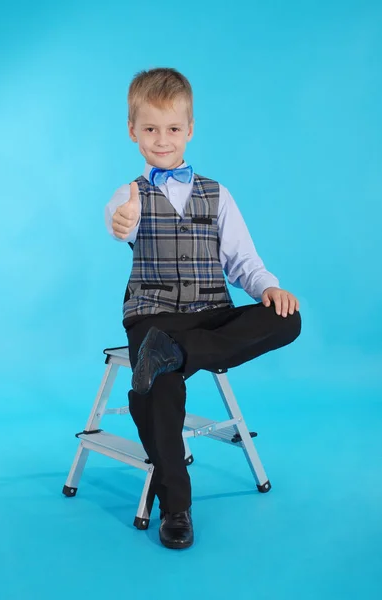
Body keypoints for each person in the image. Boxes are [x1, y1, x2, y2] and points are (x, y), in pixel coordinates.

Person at [104, 67, 301, 550]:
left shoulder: (218, 194)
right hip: (153, 316)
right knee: (162, 386)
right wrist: (122, 218)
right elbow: (118, 223)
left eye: (173, 128)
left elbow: (242, 261)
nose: (162, 139)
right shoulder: (129, 194)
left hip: (208, 311)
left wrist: (268, 288)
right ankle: (176, 506)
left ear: (190, 129)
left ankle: (175, 353)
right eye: (150, 129)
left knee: (288, 318)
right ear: (133, 131)